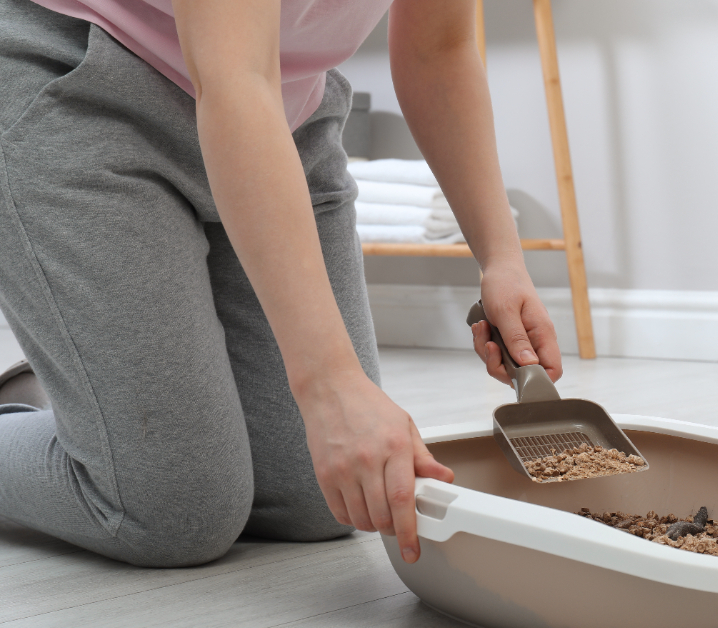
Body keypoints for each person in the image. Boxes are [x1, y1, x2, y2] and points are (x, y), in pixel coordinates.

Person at [0, 0, 561, 568]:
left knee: (325, 499)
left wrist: (501, 259)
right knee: (174, 510)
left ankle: (97, 404)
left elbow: (436, 50)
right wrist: (330, 384)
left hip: (286, 112)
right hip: (80, 88)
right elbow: (233, 77)